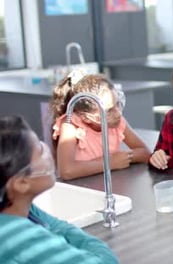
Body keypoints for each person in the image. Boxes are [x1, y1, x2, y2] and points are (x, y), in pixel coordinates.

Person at [0, 115, 118, 263]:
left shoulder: (17, 208)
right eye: (40, 150)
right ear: (21, 183)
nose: (47, 151)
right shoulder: (17, 237)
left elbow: (58, 227)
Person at [50, 73, 151, 180]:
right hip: (81, 189)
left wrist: (125, 158)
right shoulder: (71, 125)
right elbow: (66, 171)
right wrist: (109, 163)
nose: (118, 113)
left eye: (117, 103)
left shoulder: (116, 121)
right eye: (109, 110)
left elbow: (145, 152)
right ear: (86, 117)